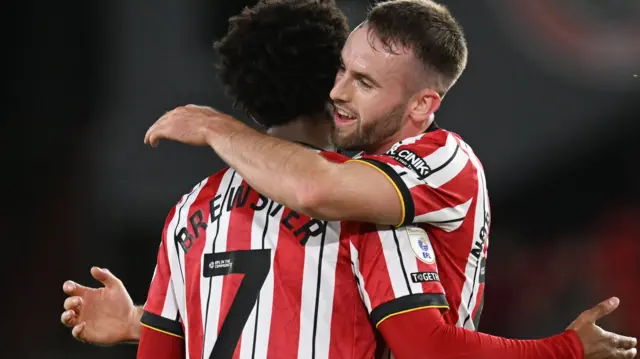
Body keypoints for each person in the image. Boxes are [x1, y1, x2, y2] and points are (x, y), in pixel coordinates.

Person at [63, 1, 637, 358]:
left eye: (363, 81)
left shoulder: (191, 210)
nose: (341, 91)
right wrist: (564, 350)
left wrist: (148, 322)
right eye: (341, 71)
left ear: (423, 102)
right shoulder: (372, 201)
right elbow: (424, 347)